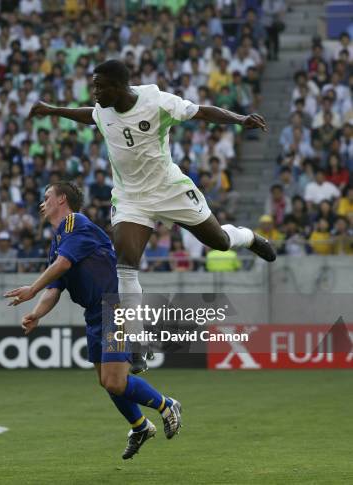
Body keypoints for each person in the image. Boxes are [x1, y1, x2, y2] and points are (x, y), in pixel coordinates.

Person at [28, 59, 276, 372]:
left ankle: (249, 237)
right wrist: (52, 109)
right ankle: (137, 343)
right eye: (94, 86)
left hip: (169, 188)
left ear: (119, 87)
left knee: (220, 241)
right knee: (126, 266)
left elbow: (202, 111)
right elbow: (90, 117)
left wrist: (241, 119)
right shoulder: (102, 109)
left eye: (100, 87)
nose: (95, 93)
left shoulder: (156, 101)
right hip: (131, 198)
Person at [4, 182, 182, 460]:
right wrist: (36, 314)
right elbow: (55, 287)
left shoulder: (76, 222)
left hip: (114, 306)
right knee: (105, 380)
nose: (42, 202)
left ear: (62, 199)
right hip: (95, 314)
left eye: (47, 196)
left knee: (114, 381)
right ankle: (139, 427)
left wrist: (31, 290)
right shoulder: (58, 241)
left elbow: (61, 267)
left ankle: (167, 405)